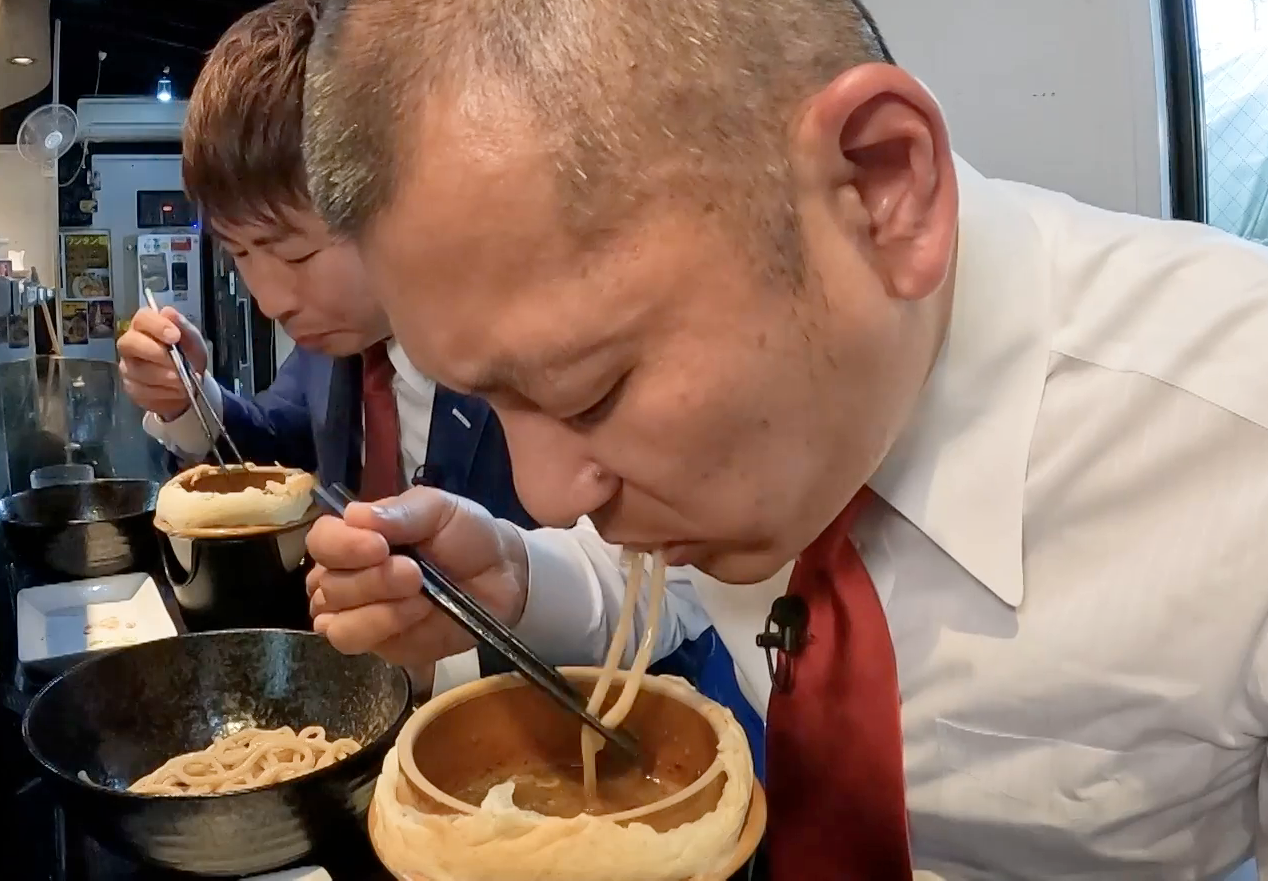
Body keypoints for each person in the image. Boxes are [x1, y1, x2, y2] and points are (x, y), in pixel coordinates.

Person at [296, 0, 1268, 878]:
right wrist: (513, 573)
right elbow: (667, 593)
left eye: (589, 390)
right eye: (489, 399)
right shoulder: (744, 454)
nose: (549, 492)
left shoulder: (1233, 439)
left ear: (877, 182)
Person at [115, 0, 749, 724]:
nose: (267, 300)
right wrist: (189, 399)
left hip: (584, 719)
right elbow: (281, 448)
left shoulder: (538, 322)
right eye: (239, 254)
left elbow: (670, 583)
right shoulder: (340, 344)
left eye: (296, 253)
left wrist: (483, 607)